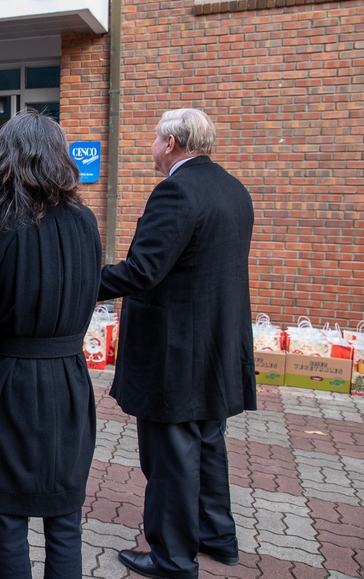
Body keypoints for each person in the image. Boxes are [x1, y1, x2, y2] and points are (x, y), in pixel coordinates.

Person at [98, 108, 256, 579]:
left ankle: (172, 557)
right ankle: (217, 536)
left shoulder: (175, 191)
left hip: (175, 354)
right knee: (208, 444)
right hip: (217, 346)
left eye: (153, 139)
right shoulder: (234, 188)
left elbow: (142, 271)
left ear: (170, 143)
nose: (151, 147)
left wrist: (79, 282)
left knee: (171, 457)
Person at [0, 110, 101, 579]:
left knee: (10, 522)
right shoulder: (85, 223)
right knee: (65, 521)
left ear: (4, 161)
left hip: (10, 383)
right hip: (69, 381)